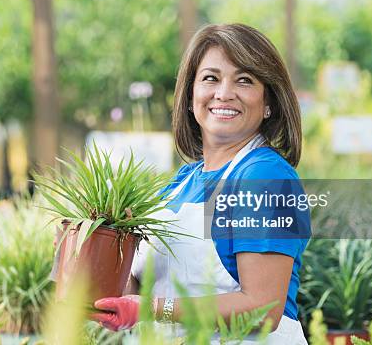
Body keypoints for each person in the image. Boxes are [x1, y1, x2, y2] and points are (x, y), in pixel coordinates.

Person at [92, 23, 311, 344]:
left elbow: (262, 308)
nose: (223, 93)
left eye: (245, 80)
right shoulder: (180, 183)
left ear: (269, 104)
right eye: (210, 78)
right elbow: (140, 292)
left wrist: (153, 309)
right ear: (191, 95)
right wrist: (90, 251)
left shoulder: (262, 177)